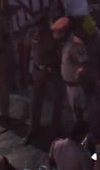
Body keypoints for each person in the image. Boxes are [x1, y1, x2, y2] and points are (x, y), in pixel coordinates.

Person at [25, 9, 63, 142]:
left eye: (41, 24)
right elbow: (26, 53)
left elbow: (61, 55)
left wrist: (54, 68)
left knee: (57, 100)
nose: (39, 27)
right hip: (37, 71)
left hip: (52, 71)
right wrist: (26, 72)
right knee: (35, 102)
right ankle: (33, 130)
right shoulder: (31, 34)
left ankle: (55, 130)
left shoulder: (54, 36)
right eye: (37, 24)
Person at [54, 16, 88, 114]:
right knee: (75, 113)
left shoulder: (76, 44)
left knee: (82, 114)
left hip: (78, 87)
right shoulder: (65, 44)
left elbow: (84, 64)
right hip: (69, 86)